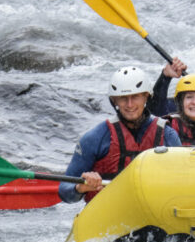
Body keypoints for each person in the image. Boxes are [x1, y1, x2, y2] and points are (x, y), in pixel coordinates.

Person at [59, 66, 182, 203]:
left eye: (135, 96)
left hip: (153, 210)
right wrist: (80, 188)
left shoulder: (168, 135)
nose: (129, 104)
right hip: (107, 211)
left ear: (146, 96)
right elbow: (64, 190)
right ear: (114, 101)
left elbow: (182, 183)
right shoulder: (95, 138)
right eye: (123, 98)